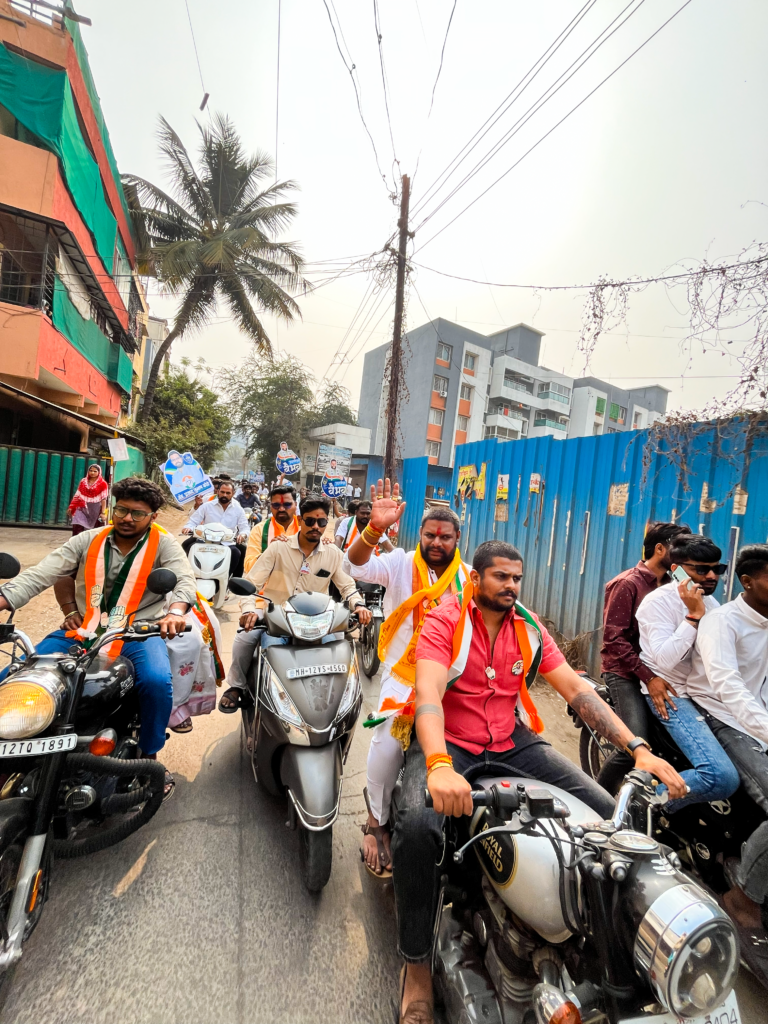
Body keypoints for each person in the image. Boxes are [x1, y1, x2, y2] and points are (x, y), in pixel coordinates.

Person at [393, 540, 687, 1023]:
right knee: (417, 827)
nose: (511, 586)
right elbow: (427, 694)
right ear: (475, 578)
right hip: (450, 743)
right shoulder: (446, 620)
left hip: (511, 743)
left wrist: (637, 748)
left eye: (517, 578)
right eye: (501, 577)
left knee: (610, 818)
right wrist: (439, 764)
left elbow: (575, 689)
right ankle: (417, 968)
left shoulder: (528, 627)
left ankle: (613, 949)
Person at [0, 477, 198, 797]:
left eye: (137, 513)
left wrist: (175, 612)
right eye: (121, 510)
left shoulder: (165, 544)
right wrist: (4, 598)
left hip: (138, 632)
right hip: (84, 629)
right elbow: (44, 571)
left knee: (156, 682)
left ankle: (149, 758)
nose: (127, 518)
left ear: (153, 516)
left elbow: (184, 580)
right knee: (15, 675)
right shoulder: (89, 539)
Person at [343, 479, 471, 878]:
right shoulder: (399, 562)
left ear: (457, 538)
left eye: (445, 536)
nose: (437, 542)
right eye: (430, 535)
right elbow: (354, 566)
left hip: (451, 681)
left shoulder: (469, 577)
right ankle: (375, 822)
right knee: (385, 745)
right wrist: (373, 529)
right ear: (420, 535)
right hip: (402, 677)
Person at [219, 493, 372, 710]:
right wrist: (248, 611)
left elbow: (347, 586)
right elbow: (251, 583)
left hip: (319, 621)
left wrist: (358, 604)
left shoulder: (333, 553)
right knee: (246, 636)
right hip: (277, 618)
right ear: (300, 520)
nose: (315, 527)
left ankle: (341, 703)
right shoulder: (278, 548)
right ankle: (237, 686)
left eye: (321, 522)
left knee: (341, 652)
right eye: (310, 521)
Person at [686, 544, 768, 934]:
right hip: (722, 716)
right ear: (747, 582)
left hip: (757, 717)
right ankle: (743, 897)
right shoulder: (722, 622)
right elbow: (728, 686)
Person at [636, 533, 738, 810]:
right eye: (702, 569)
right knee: (720, 777)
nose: (712, 576)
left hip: (704, 693)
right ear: (676, 570)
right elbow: (665, 660)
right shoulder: (657, 603)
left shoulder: (712, 605)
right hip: (672, 694)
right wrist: (692, 616)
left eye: (718, 569)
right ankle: (642, 805)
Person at [600, 520, 691, 775]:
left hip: (663, 671)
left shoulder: (676, 583)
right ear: (660, 549)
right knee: (635, 746)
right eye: (679, 547)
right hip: (625, 673)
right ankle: (597, 794)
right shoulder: (627, 583)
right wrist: (649, 677)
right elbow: (614, 639)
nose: (685, 555)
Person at [181, 481, 249, 578]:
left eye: (228, 493)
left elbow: (245, 527)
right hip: (205, 539)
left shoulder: (238, 509)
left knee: (238, 552)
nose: (224, 495)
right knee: (187, 545)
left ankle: (230, 580)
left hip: (227, 542)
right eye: (222, 492)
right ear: (218, 492)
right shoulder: (206, 506)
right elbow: (193, 521)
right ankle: (187, 575)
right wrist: (188, 528)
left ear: (233, 494)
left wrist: (242, 535)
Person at [243, 484, 300, 574]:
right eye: (276, 505)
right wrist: (270, 553)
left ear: (295, 505)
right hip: (269, 582)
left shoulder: (305, 527)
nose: (281, 509)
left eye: (287, 504)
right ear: (270, 506)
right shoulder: (259, 530)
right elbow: (248, 566)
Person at [67, 463, 108, 535]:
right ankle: (77, 541)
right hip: (81, 506)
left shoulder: (103, 484)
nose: (92, 473)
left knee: (94, 530)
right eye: (91, 470)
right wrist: (72, 506)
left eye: (95, 471)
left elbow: (103, 499)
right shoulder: (83, 481)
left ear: (99, 472)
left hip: (95, 508)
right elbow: (77, 494)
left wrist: (103, 513)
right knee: (78, 525)